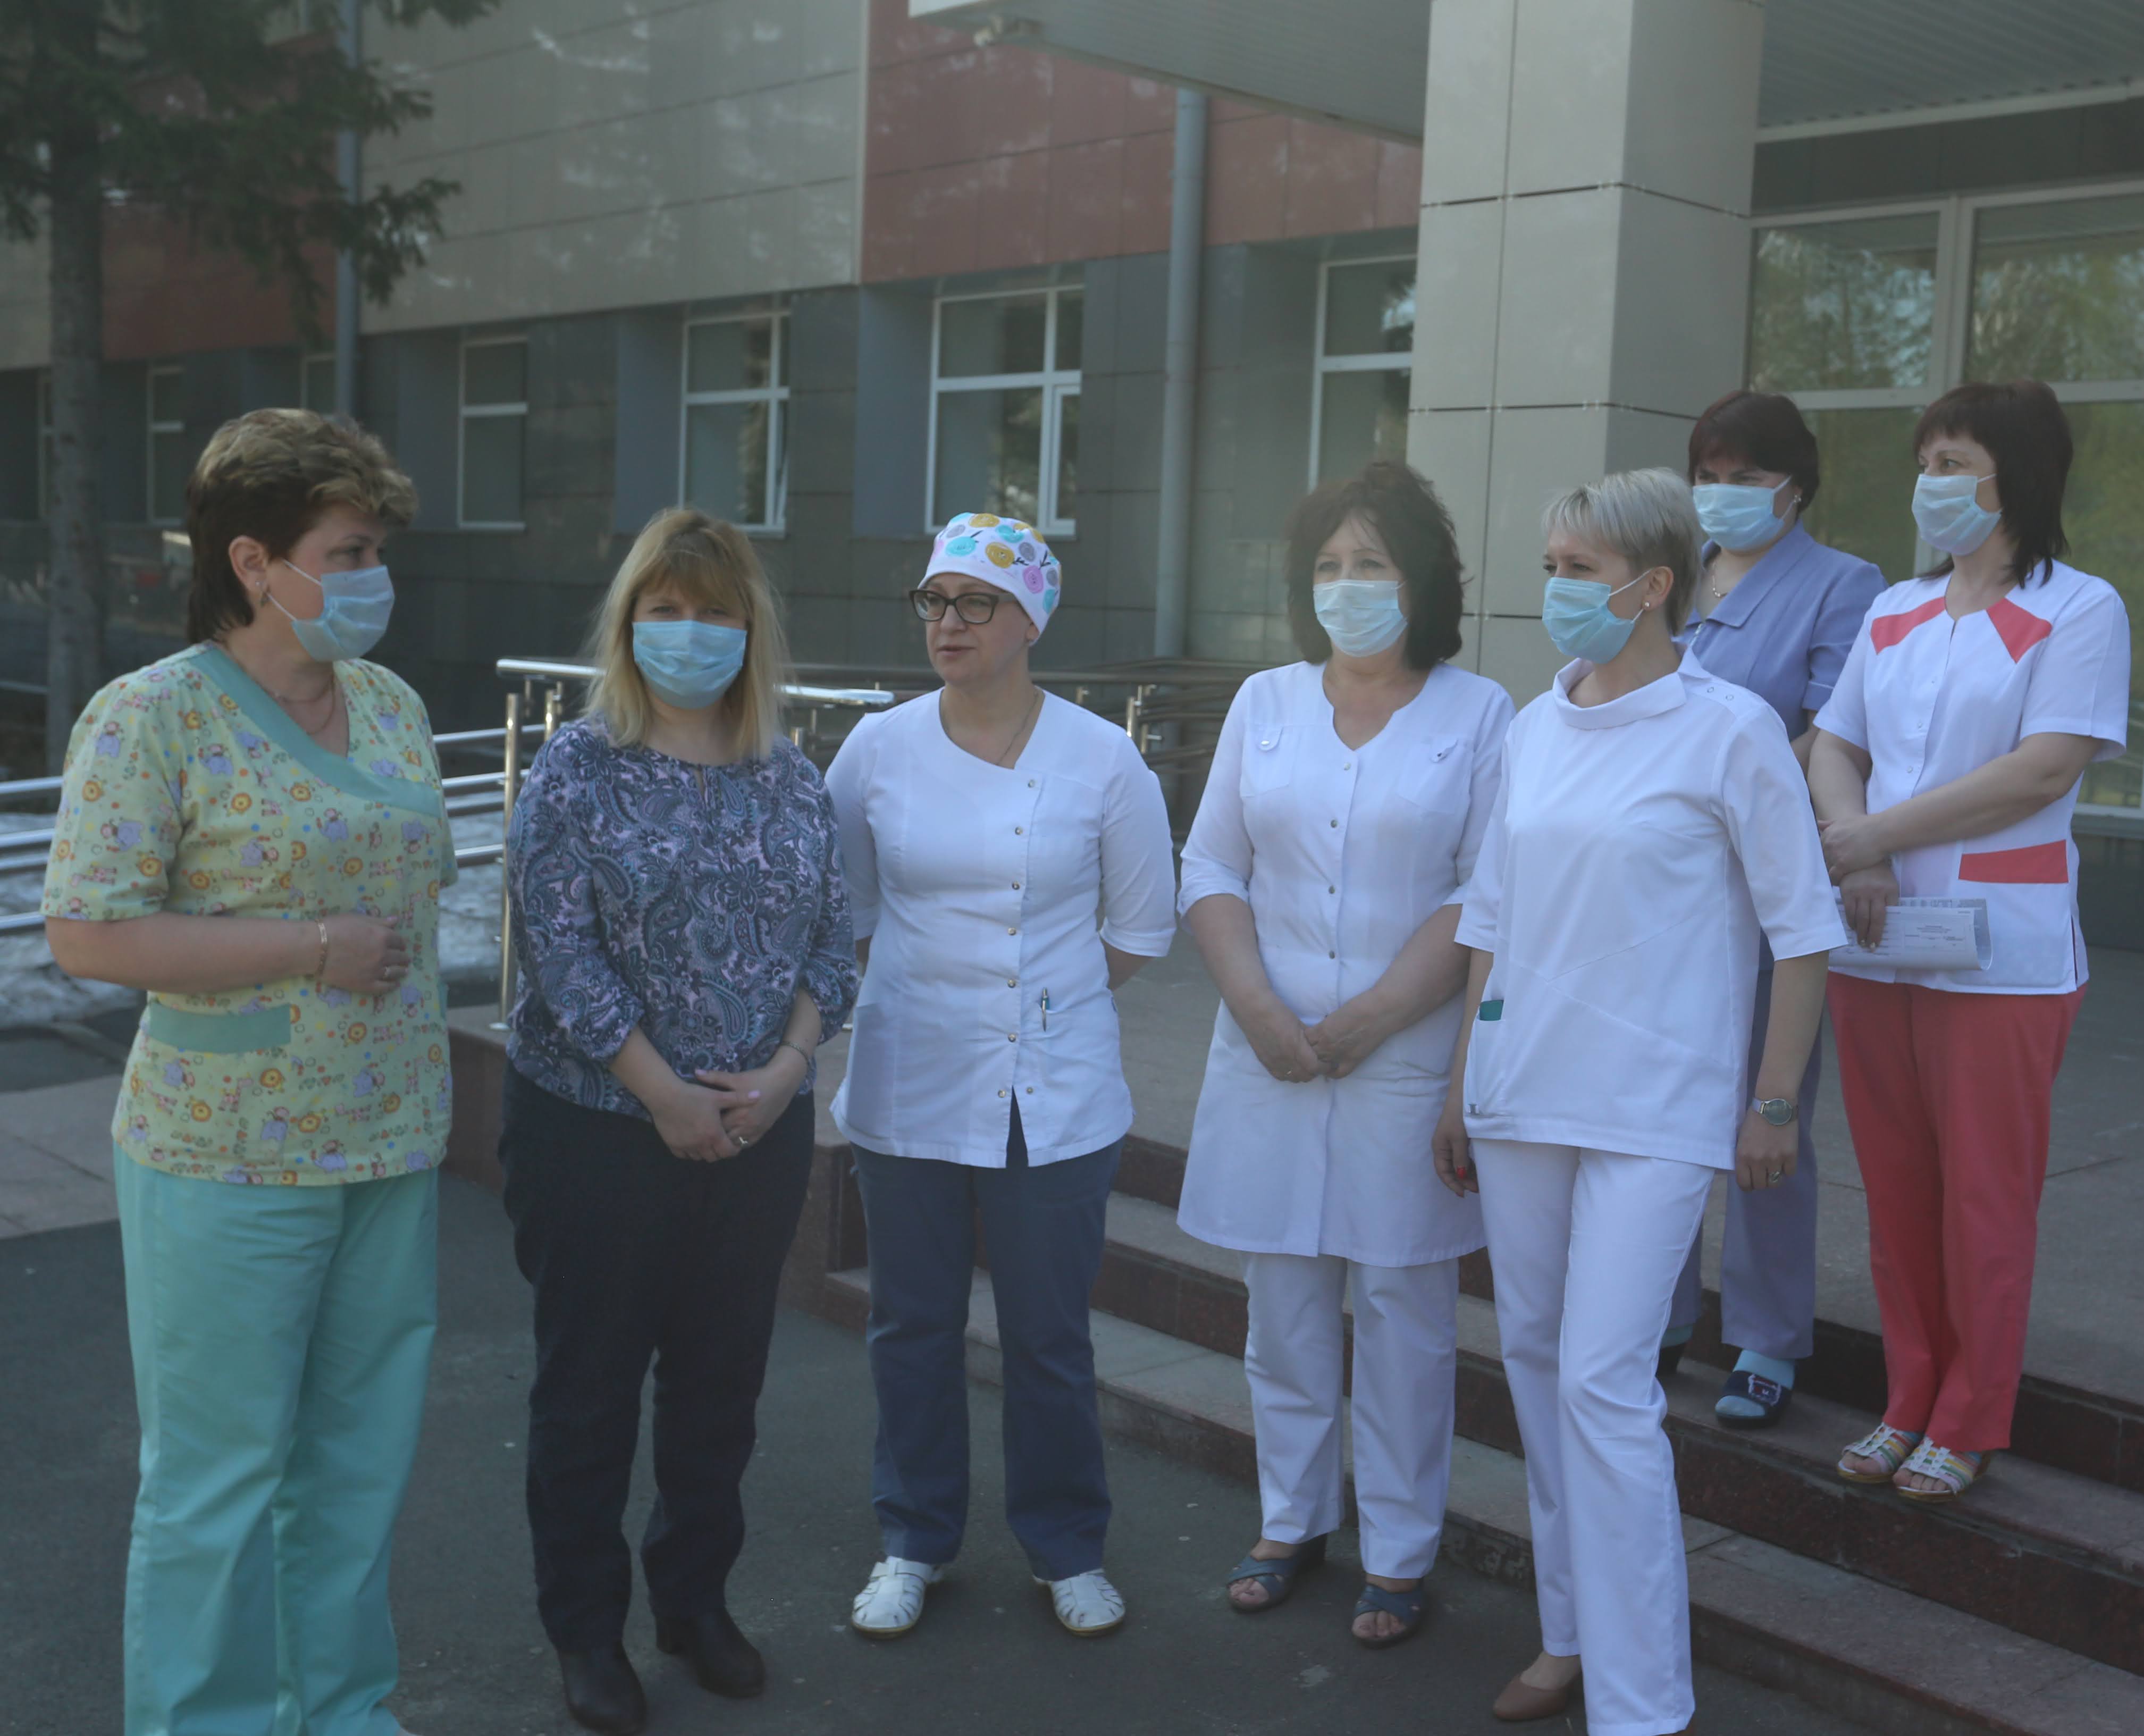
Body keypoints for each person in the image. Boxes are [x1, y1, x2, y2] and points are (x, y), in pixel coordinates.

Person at [43, 408, 451, 1736]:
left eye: (378, 549)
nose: (374, 574)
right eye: (349, 550)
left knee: (356, 1463)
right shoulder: (152, 715)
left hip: (388, 1136)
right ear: (254, 561)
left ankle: (341, 1708)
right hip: (227, 1151)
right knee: (218, 1478)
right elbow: (88, 931)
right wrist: (310, 944)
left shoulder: (388, 704)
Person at [1435, 469, 1846, 1734]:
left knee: (1605, 1386)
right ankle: (1568, 1632)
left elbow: (1801, 929)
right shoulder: (1533, 724)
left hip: (1658, 1107)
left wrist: (1772, 1104)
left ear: (1652, 583)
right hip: (1523, 1094)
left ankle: (1642, 1700)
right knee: (1538, 1366)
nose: (1554, 587)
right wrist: (1461, 1086)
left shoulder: (1729, 729)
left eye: (1577, 567)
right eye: (1551, 564)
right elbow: (1489, 920)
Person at [498, 508, 856, 1733]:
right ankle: (586, 1630)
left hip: (757, 1132)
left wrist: (788, 1068)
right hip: (596, 1128)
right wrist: (662, 1092)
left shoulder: (791, 777)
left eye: (713, 612)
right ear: (628, 623)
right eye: (665, 610)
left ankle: (694, 1603)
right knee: (589, 1391)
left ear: (750, 629)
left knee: (720, 1386)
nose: (688, 632)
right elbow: (557, 950)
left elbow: (833, 943)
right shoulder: (577, 768)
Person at [1177, 461, 1510, 1647]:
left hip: (1402, 1055)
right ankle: (1290, 1520)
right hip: (1268, 1053)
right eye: (1328, 565)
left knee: (1405, 1316)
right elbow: (1212, 864)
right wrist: (1256, 1005)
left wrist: (1374, 1014)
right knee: (1282, 1311)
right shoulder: (1264, 701)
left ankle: (1401, 1548)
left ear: (1422, 581)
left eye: (1372, 562)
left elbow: (1484, 893)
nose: (1348, 585)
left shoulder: (1479, 713)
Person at [828, 512, 1176, 1643]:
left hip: (1053, 1089)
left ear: (1032, 621)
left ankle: (1067, 1545)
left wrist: (1038, 1005)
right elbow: (849, 907)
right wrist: (940, 998)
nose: (949, 624)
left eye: (976, 603)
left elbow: (1141, 927)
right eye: (934, 601)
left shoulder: (1101, 756)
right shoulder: (876, 749)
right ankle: (912, 1537)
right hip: (909, 1076)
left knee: (1047, 1338)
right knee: (910, 1325)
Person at [1809, 380, 2131, 1503]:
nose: (1931, 484)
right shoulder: (1893, 610)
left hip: (2001, 958)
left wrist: (1873, 835)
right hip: (1874, 937)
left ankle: (1969, 1414)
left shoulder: (2078, 608)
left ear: (2018, 476)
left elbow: (2041, 769)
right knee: (1896, 1192)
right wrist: (1863, 854)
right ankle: (1907, 1398)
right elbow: (1834, 743)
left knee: (1983, 1198)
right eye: (1926, 462)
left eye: (1954, 463)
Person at [1661, 390, 1886, 1429]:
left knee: (1768, 1102)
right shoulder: (1671, 571)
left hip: (1759, 880)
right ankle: (1659, 1313)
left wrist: (1722, 782)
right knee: (1656, 1111)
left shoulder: (1842, 585)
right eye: (1709, 476)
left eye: (1747, 478)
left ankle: (1765, 1335)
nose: (1724, 495)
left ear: (1795, 485)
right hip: (1656, 884)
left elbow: (1836, 728)